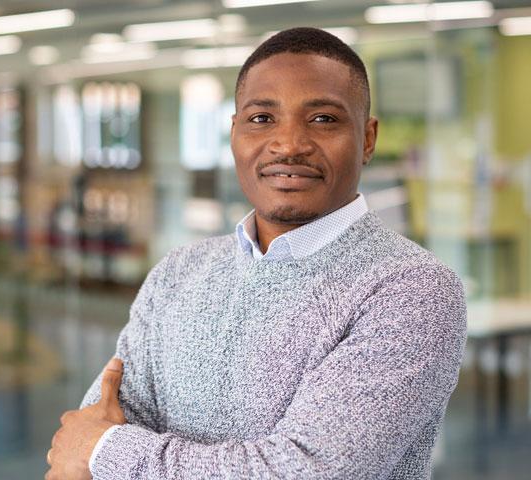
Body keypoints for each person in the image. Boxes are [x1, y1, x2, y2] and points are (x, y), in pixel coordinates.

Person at [45, 27, 467, 480]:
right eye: (262, 118)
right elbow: (87, 437)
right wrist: (97, 447)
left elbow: (308, 472)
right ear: (234, 133)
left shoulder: (413, 290)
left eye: (323, 119)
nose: (288, 144)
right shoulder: (179, 271)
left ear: (367, 139)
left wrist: (108, 451)